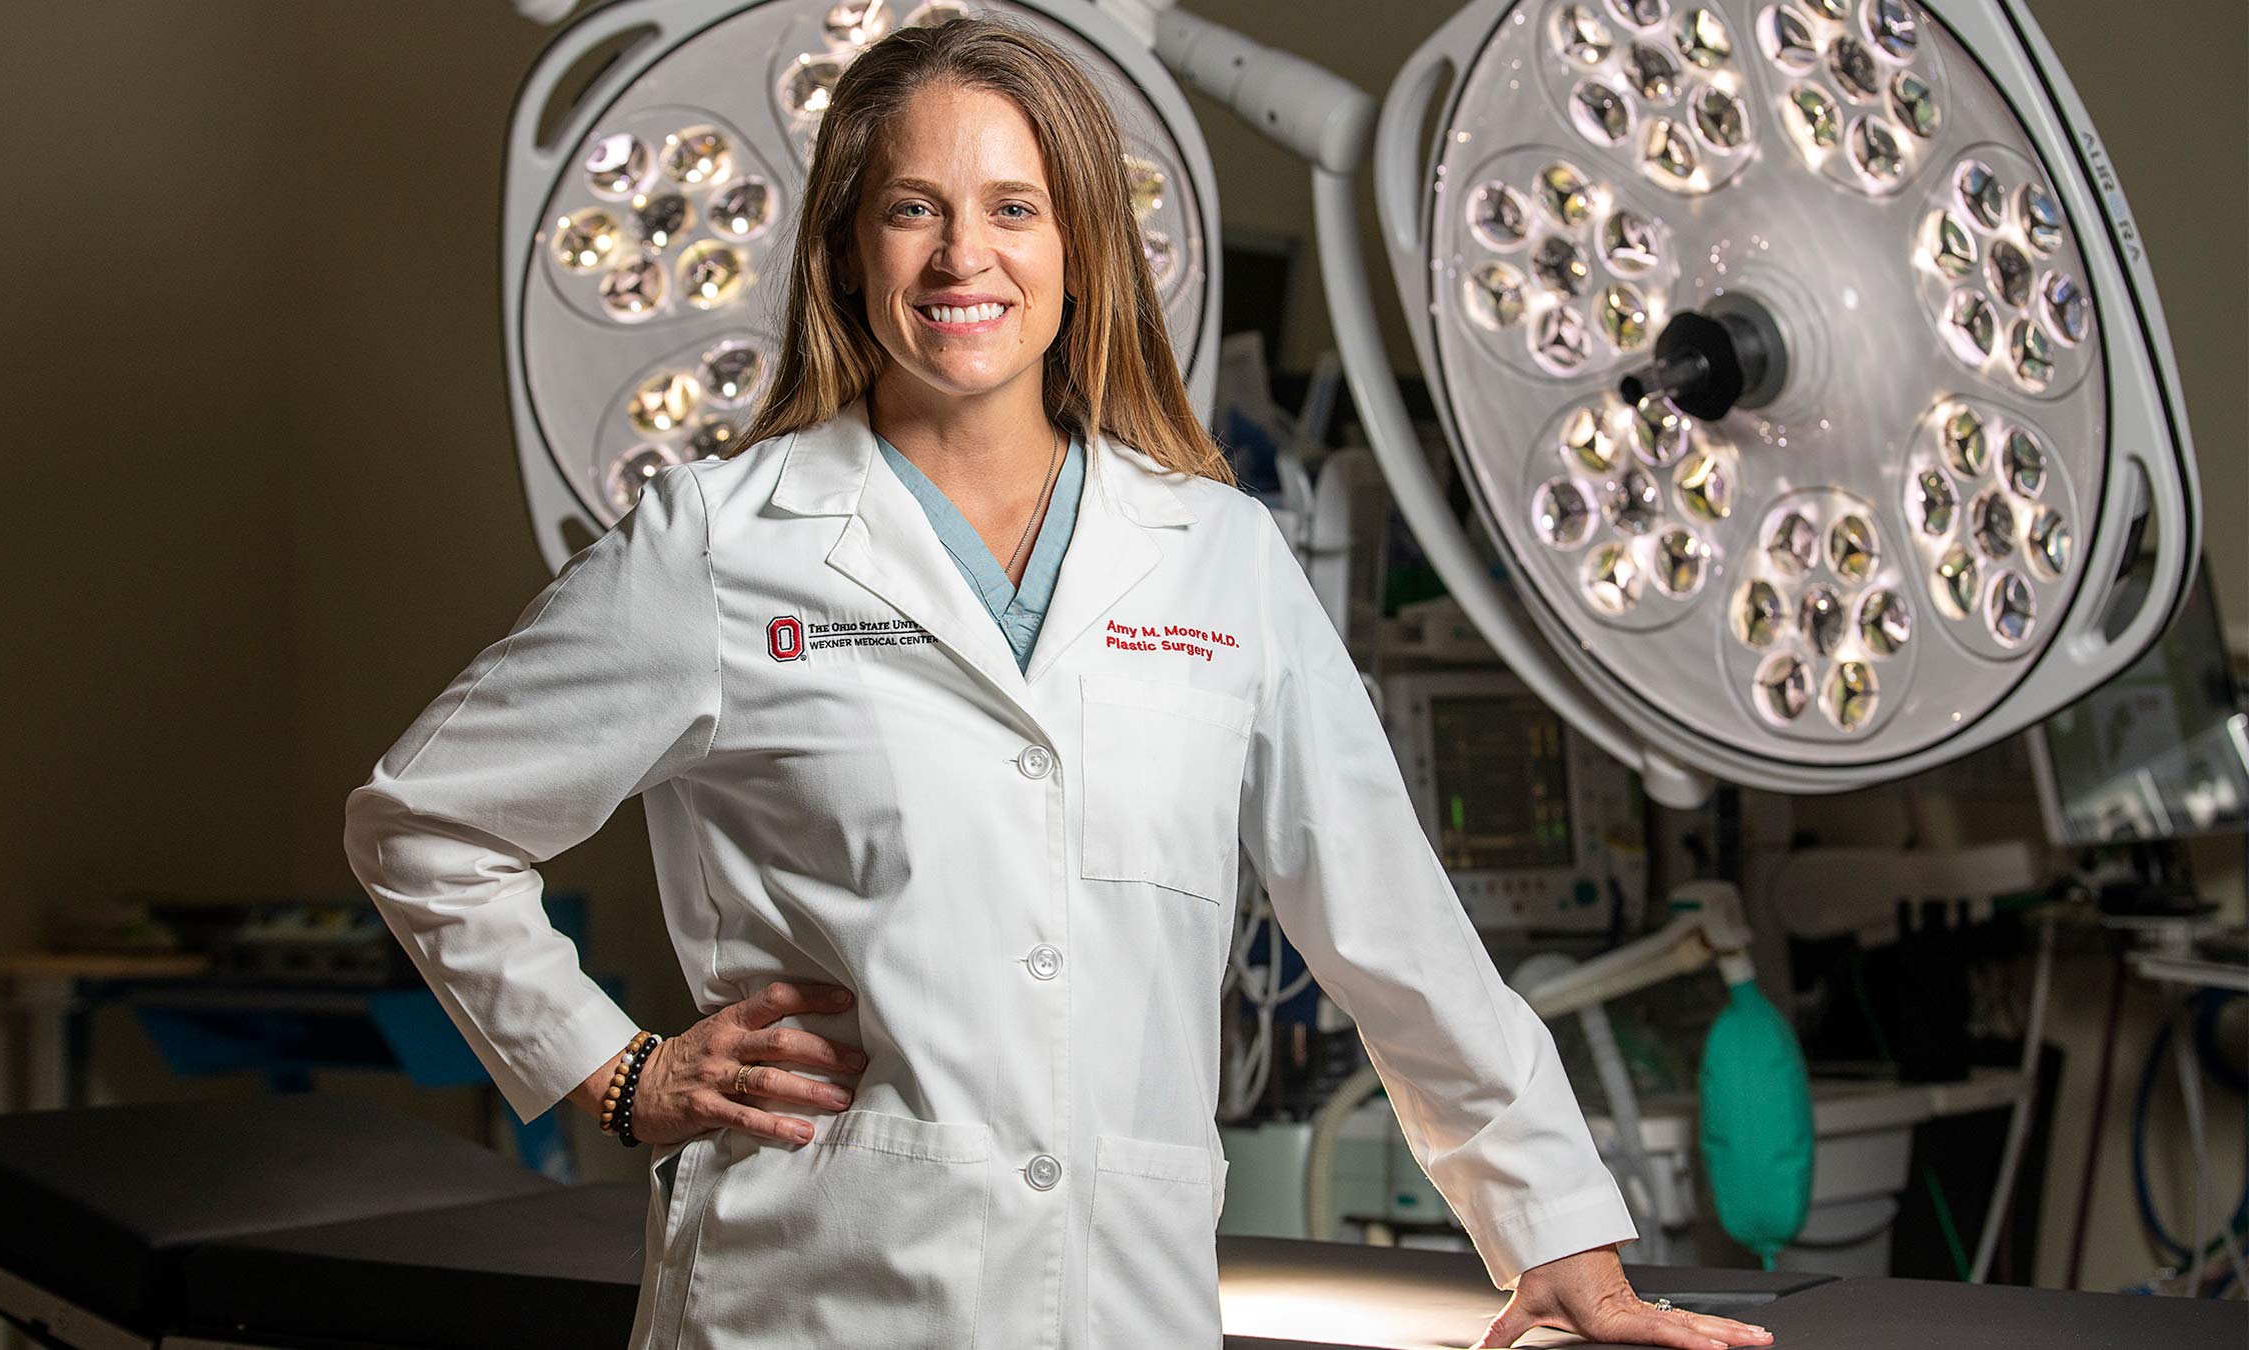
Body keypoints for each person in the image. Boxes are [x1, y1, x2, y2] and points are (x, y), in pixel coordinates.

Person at [343, 15, 1772, 1350]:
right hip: (809, 1299)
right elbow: (424, 821)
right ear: (848, 252)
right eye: (914, 208)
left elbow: (1387, 921)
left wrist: (1557, 1237)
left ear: (1083, 247)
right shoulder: (724, 545)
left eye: (1014, 208)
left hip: (1122, 1300)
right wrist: (616, 1068)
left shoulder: (1214, 556)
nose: (966, 256)